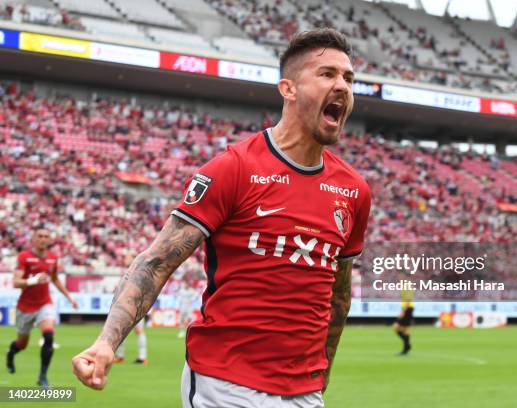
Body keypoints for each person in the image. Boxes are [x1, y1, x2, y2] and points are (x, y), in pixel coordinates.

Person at [72, 28, 371, 408]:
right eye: (327, 74)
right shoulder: (234, 169)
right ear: (289, 89)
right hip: (224, 384)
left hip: (304, 392)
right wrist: (106, 342)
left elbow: (338, 294)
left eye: (348, 78)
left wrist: (322, 372)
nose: (343, 85)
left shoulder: (354, 190)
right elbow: (155, 262)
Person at [6, 226, 79, 388]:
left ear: (50, 240)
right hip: (25, 307)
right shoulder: (24, 257)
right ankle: (11, 353)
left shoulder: (53, 258)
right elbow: (16, 282)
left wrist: (70, 297)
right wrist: (33, 280)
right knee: (21, 344)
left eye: (46, 236)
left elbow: (55, 279)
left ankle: (43, 377)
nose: (43, 239)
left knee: (49, 335)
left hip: (44, 304)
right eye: (40, 236)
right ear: (33, 239)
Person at [393, 290, 414, 355]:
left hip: (407, 310)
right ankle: (406, 347)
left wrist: (403, 311)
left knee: (395, 327)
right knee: (405, 331)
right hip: (408, 309)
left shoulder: (407, 287)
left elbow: (408, 299)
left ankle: (407, 346)